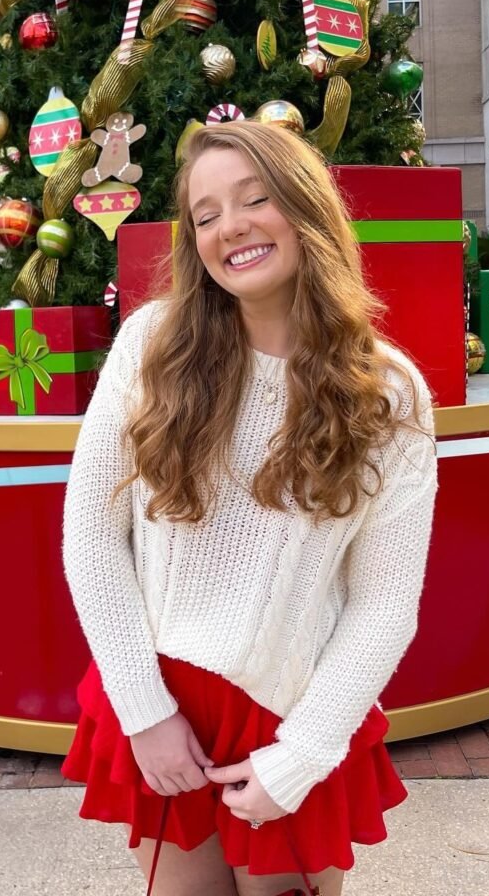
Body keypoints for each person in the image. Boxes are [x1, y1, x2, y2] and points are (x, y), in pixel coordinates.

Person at [61, 121, 438, 896]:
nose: (228, 225)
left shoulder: (388, 391)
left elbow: (384, 604)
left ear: (304, 210)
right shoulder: (150, 347)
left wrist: (298, 758)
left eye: (253, 199)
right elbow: (94, 536)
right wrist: (143, 712)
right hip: (159, 705)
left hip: (293, 715)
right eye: (204, 215)